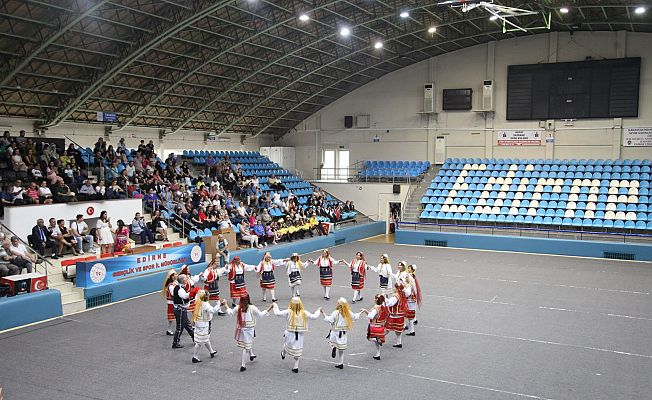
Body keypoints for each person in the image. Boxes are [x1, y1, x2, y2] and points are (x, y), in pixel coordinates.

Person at [272, 297, 321, 373]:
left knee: (287, 344)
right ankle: (296, 366)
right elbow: (313, 316)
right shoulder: (303, 312)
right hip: (300, 334)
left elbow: (278, 313)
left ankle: (284, 353)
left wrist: (275, 306)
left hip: (290, 333)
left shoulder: (289, 311)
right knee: (298, 349)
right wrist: (318, 311)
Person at [221, 294, 270, 371]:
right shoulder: (252, 308)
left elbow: (231, 313)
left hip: (242, 329)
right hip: (249, 329)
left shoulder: (238, 307)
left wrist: (226, 305)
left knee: (248, 343)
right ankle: (243, 365)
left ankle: (252, 354)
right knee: (246, 347)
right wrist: (269, 308)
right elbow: (260, 315)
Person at [321, 298, 366, 369]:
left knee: (334, 343)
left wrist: (323, 313)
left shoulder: (335, 312)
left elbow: (329, 320)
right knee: (341, 349)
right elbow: (355, 317)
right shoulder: (348, 312)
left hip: (335, 332)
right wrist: (361, 312)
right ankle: (340, 363)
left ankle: (334, 347)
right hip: (343, 333)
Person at [191, 290, 220, 363]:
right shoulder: (205, 304)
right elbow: (212, 310)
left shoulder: (197, 302)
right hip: (203, 324)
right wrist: (218, 304)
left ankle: (211, 351)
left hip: (198, 322)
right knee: (200, 342)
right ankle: (195, 356)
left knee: (205, 338)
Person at [171, 274, 194, 348]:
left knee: (187, 324)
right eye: (186, 279)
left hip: (180, 309)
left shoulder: (177, 287)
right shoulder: (180, 289)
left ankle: (195, 338)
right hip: (180, 309)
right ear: (184, 280)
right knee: (180, 327)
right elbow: (184, 296)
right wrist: (192, 293)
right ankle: (175, 342)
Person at [385, 282, 409, 348]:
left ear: (397, 288)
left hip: (394, 315)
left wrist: (384, 298)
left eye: (395, 287)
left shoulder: (396, 296)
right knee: (398, 330)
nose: (394, 289)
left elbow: (390, 303)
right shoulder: (402, 294)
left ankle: (379, 337)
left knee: (387, 328)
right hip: (400, 315)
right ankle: (399, 342)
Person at [367, 294, 389, 360]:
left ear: (376, 300)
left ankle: (376, 339)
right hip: (380, 326)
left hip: (374, 326)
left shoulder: (375, 308)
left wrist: (365, 311)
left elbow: (370, 316)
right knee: (377, 343)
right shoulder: (383, 307)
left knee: (369, 338)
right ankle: (378, 354)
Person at [403, 264, 421, 336]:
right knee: (410, 317)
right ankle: (412, 330)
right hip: (411, 302)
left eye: (406, 277)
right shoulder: (412, 284)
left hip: (410, 302)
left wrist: (403, 288)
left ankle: (405, 326)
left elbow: (407, 294)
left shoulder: (409, 286)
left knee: (405, 314)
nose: (406, 278)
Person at [162, 269, 177, 336]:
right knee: (172, 318)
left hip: (173, 302)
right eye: (175, 274)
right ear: (172, 276)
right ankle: (169, 329)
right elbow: (173, 293)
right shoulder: (171, 285)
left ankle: (170, 329)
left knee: (174, 317)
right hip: (172, 303)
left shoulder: (174, 283)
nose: (176, 275)